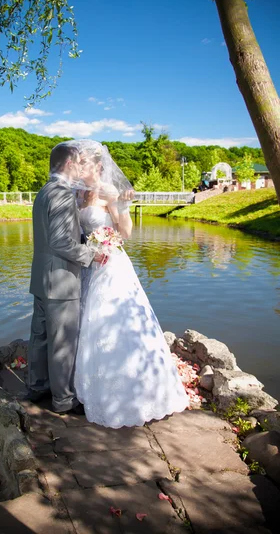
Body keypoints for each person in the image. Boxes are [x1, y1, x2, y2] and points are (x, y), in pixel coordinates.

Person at [74, 140, 189, 428]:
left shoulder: (109, 192)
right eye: (79, 162)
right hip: (89, 264)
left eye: (85, 162)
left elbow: (126, 232)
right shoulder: (79, 194)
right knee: (91, 324)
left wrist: (118, 214)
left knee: (116, 322)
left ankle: (135, 392)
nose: (80, 166)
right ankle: (93, 388)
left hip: (111, 264)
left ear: (99, 167)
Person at [26, 141, 100, 414]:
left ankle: (37, 387)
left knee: (41, 336)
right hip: (61, 280)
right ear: (69, 164)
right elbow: (60, 241)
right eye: (79, 162)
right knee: (62, 341)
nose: (82, 167)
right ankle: (63, 400)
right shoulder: (62, 193)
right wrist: (91, 254)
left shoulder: (45, 191)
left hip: (42, 278)